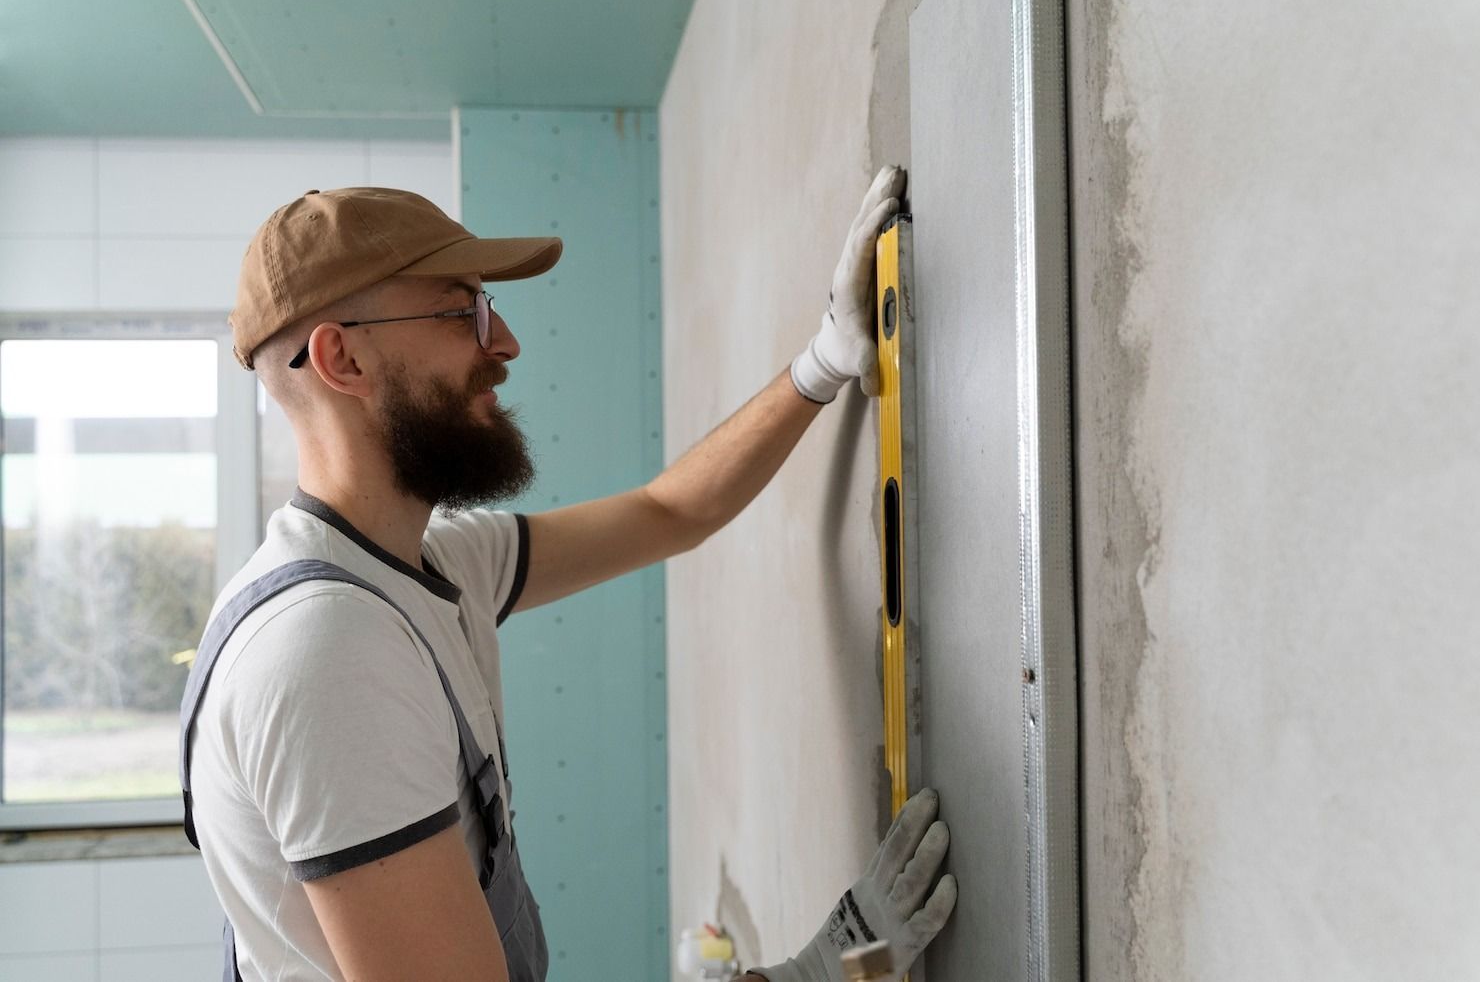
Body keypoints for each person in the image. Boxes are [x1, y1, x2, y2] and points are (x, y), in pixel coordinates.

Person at [179, 169, 954, 982]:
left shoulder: (430, 563)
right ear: (342, 358)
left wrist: (825, 357)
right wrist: (804, 978)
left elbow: (669, 511)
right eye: (462, 310)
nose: (504, 342)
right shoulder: (326, 653)